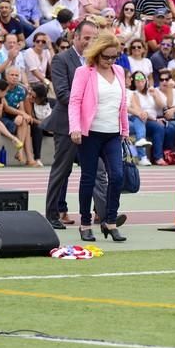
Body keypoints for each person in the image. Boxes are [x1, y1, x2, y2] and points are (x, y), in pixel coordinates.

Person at [41, 21, 119, 230]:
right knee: (62, 170)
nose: (90, 42)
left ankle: (104, 216)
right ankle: (52, 214)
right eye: (86, 38)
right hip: (68, 125)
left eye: (94, 38)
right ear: (75, 37)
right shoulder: (62, 59)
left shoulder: (99, 63)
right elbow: (64, 94)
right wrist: (89, 106)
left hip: (94, 128)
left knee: (99, 172)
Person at [69, 32, 129, 243]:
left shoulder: (119, 71)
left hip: (113, 133)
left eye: (114, 56)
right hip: (90, 134)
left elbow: (122, 103)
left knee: (118, 176)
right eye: (106, 57)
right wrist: (75, 127)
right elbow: (75, 101)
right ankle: (85, 223)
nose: (110, 61)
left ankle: (110, 221)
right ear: (97, 54)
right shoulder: (84, 72)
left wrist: (125, 130)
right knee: (89, 178)